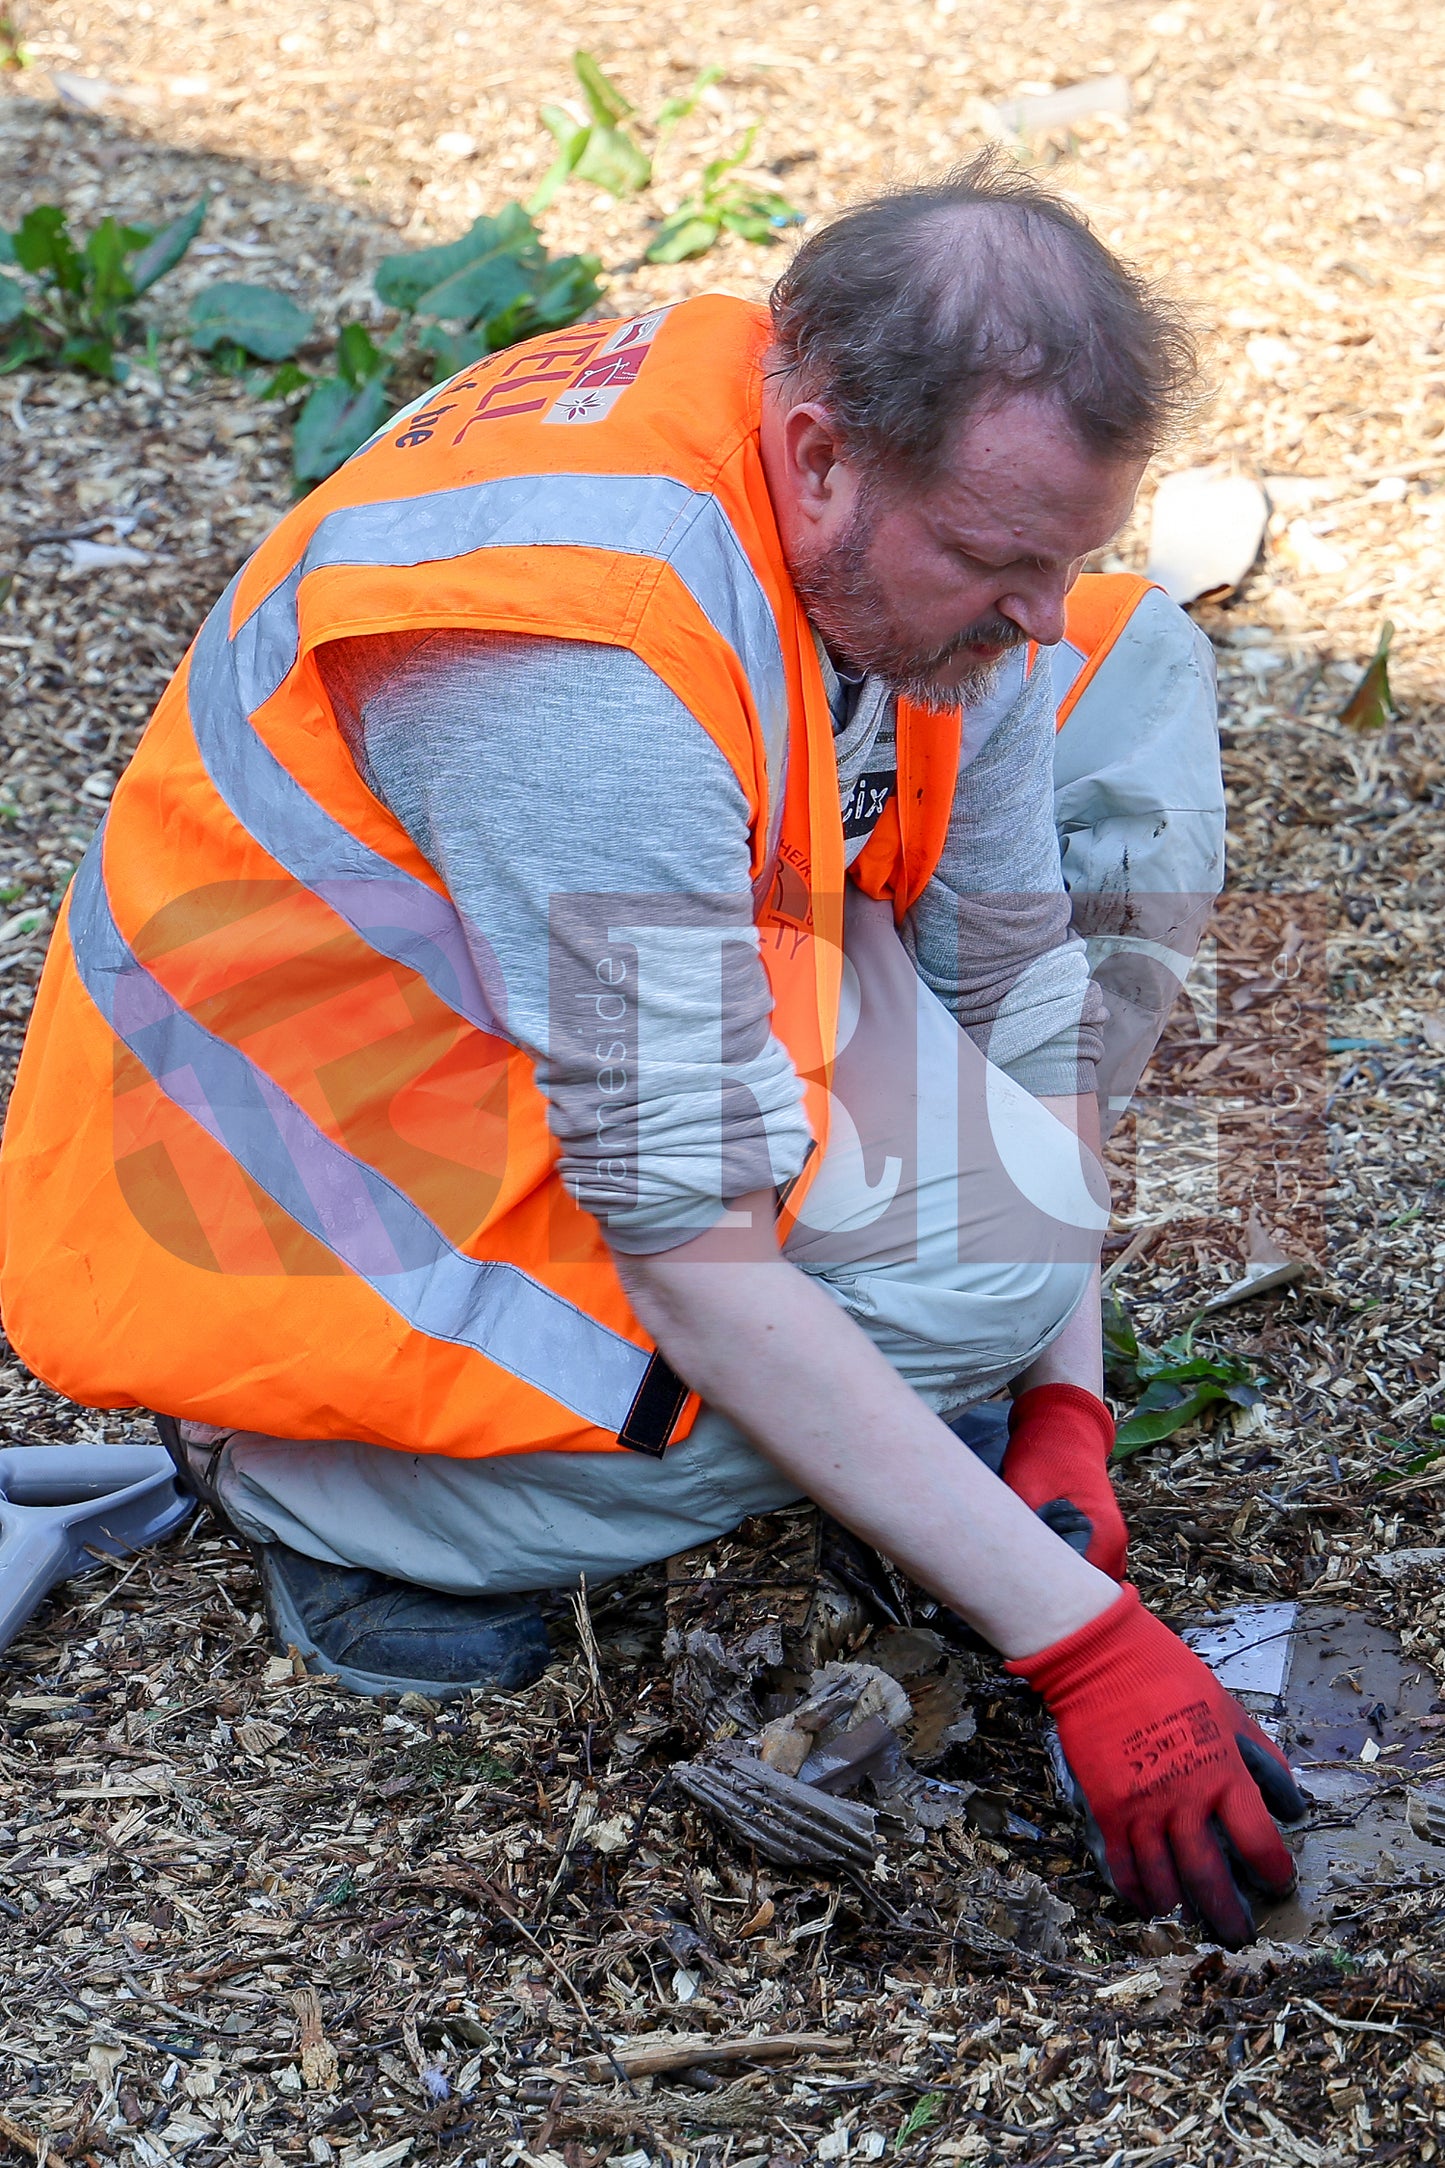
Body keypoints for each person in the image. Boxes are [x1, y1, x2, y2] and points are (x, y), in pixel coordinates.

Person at [0, 154, 1303, 1943]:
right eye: (994, 558)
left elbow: (1017, 991)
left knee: (1126, 680)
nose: (1028, 610)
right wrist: (1077, 1643)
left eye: (1057, 550)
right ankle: (348, 1500)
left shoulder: (846, 483)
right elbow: (689, 1243)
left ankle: (899, 1382)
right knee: (984, 1261)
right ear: (822, 453)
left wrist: (1062, 1409)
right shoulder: (580, 665)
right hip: (325, 1215)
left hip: (591, 1016)